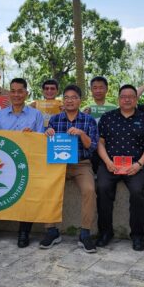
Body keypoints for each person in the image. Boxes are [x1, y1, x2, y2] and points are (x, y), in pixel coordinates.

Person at [0, 78, 44, 247]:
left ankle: (24, 232)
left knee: (27, 193)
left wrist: (32, 136)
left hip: (27, 162)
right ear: (9, 93)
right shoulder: (0, 115)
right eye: (13, 91)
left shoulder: (36, 115)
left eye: (20, 91)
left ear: (26, 93)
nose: (16, 94)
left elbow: (41, 142)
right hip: (3, 162)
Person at [40, 84, 99, 253]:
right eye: (66, 98)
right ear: (63, 100)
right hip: (58, 164)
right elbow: (47, 145)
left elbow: (92, 146)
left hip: (82, 164)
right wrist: (48, 133)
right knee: (47, 188)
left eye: (74, 97)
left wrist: (81, 134)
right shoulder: (55, 119)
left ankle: (85, 233)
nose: (70, 101)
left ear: (80, 100)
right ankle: (51, 231)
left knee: (89, 190)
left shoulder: (88, 120)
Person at [96, 84, 144, 251]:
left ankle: (137, 235)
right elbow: (100, 142)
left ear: (136, 99)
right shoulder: (107, 118)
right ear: (118, 99)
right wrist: (108, 162)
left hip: (135, 165)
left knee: (137, 191)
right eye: (123, 96)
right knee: (102, 188)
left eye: (131, 96)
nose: (127, 99)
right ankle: (105, 232)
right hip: (110, 164)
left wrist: (139, 164)